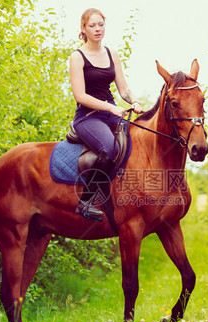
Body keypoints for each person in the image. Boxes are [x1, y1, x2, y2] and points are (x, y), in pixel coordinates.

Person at [69, 8, 142, 221]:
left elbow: (123, 89)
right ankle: (86, 201)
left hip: (111, 113)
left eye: (101, 24)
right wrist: (110, 108)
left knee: (137, 142)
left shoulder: (112, 54)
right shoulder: (77, 57)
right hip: (88, 116)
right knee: (110, 149)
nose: (97, 29)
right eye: (92, 25)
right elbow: (80, 95)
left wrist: (134, 101)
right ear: (83, 28)